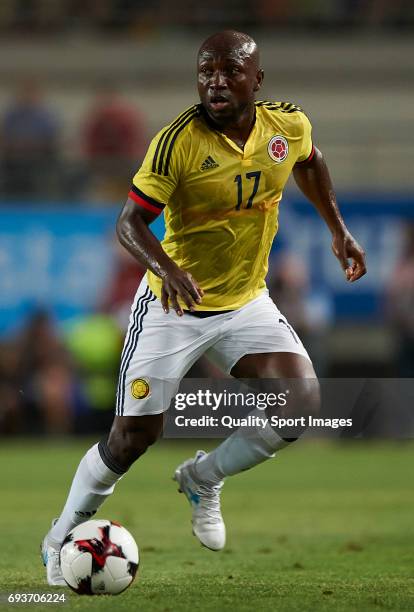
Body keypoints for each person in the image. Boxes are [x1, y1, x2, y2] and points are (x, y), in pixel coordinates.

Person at [41, 30, 366, 585]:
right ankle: (60, 536)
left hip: (245, 301)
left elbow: (311, 160)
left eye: (229, 71)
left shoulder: (287, 126)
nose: (216, 82)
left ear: (256, 80)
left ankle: (203, 478)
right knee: (132, 439)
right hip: (174, 304)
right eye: (206, 72)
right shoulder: (178, 142)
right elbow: (129, 222)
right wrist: (166, 269)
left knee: (301, 404)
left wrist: (337, 228)